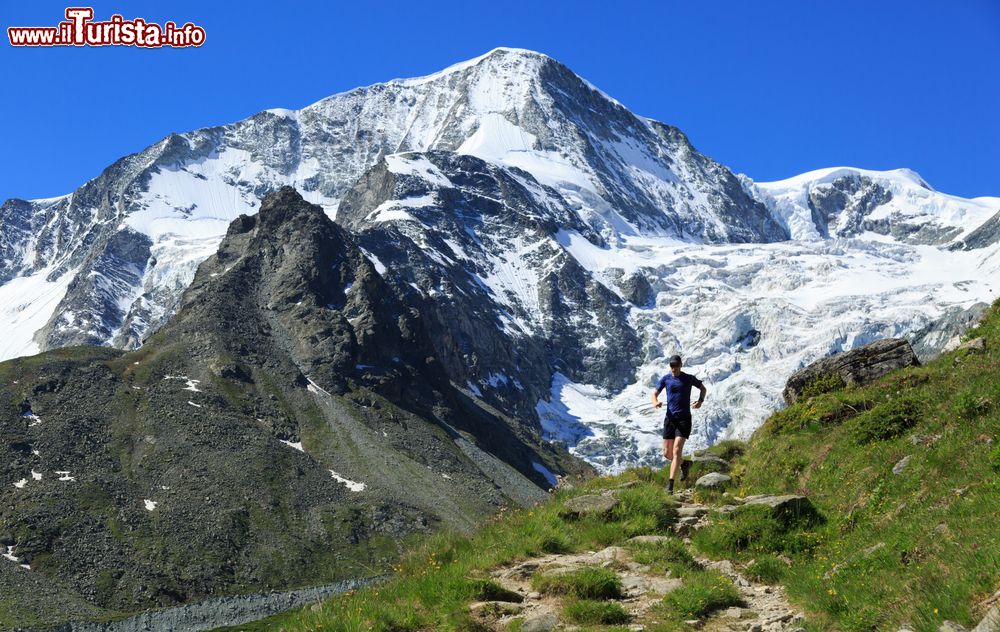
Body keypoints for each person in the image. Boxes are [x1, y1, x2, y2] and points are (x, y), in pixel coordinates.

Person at [651, 354, 707, 494]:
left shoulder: (688, 378)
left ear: (681, 365)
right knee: (667, 453)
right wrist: (655, 402)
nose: (674, 368)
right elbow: (654, 394)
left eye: (676, 365)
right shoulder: (666, 379)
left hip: (684, 420)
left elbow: (703, 388)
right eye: (672, 365)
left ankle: (670, 486)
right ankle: (685, 463)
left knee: (676, 451)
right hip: (670, 419)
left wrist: (700, 401)